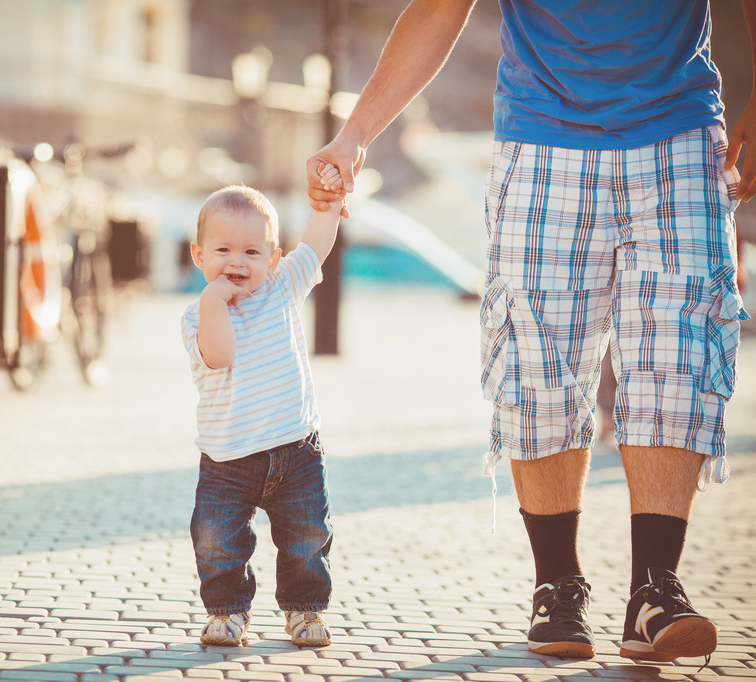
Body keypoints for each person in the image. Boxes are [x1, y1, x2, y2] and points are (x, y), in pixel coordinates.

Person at [307, 0, 756, 663]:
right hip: (541, 141)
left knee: (678, 359)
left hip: (680, 136)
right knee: (536, 369)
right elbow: (437, 9)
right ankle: (556, 587)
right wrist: (354, 135)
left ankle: (654, 591)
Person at [182, 172, 343, 647]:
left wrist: (330, 206)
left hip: (296, 448)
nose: (237, 262)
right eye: (223, 250)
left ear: (273, 260)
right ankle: (227, 612)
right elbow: (220, 356)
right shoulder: (197, 315)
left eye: (252, 252)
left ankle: (305, 609)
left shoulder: (282, 287)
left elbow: (315, 245)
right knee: (218, 541)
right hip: (227, 458)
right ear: (199, 256)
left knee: (307, 536)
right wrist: (216, 300)